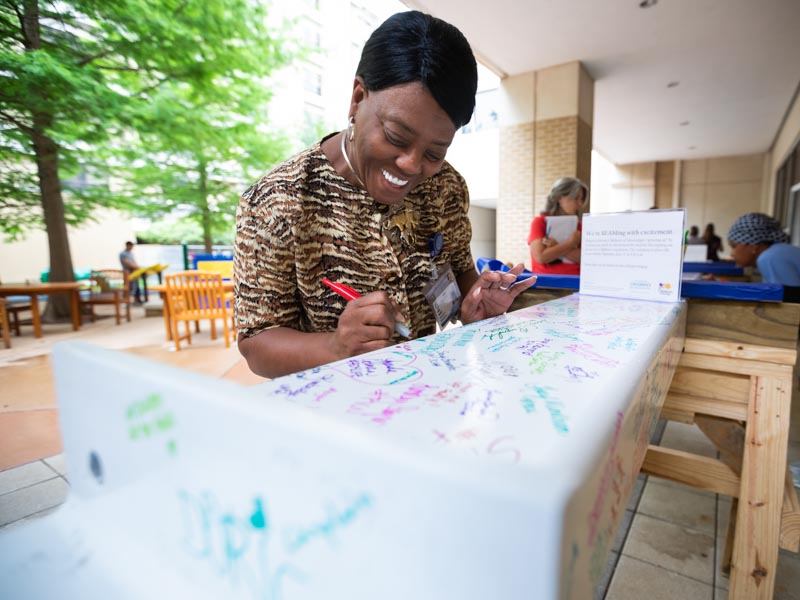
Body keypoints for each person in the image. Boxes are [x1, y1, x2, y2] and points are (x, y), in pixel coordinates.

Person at [234, 11, 535, 379]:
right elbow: (257, 342)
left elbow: (457, 273)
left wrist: (476, 305)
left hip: (428, 395)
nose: (410, 165)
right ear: (358, 99)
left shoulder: (446, 188)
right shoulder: (276, 201)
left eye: (434, 153)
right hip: (329, 412)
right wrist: (336, 347)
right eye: (395, 136)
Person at [727, 213, 800, 300]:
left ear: (753, 244)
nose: (731, 254)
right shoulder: (777, 252)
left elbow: (790, 306)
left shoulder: (770, 258)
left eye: (734, 246)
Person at [526, 177, 588, 274]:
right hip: (548, 284)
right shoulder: (540, 222)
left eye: (581, 199)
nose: (580, 204)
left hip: (577, 283)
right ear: (559, 197)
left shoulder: (580, 225)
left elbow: (585, 258)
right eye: (575, 198)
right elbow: (541, 257)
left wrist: (556, 246)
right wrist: (571, 244)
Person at [119, 241, 142, 305]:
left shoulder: (131, 253)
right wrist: (136, 267)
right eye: (131, 246)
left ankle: (136, 301)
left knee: (136, 287)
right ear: (127, 245)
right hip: (127, 272)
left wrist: (137, 268)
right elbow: (127, 263)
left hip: (134, 272)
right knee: (127, 287)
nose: (131, 247)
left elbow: (134, 262)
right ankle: (125, 301)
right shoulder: (123, 254)